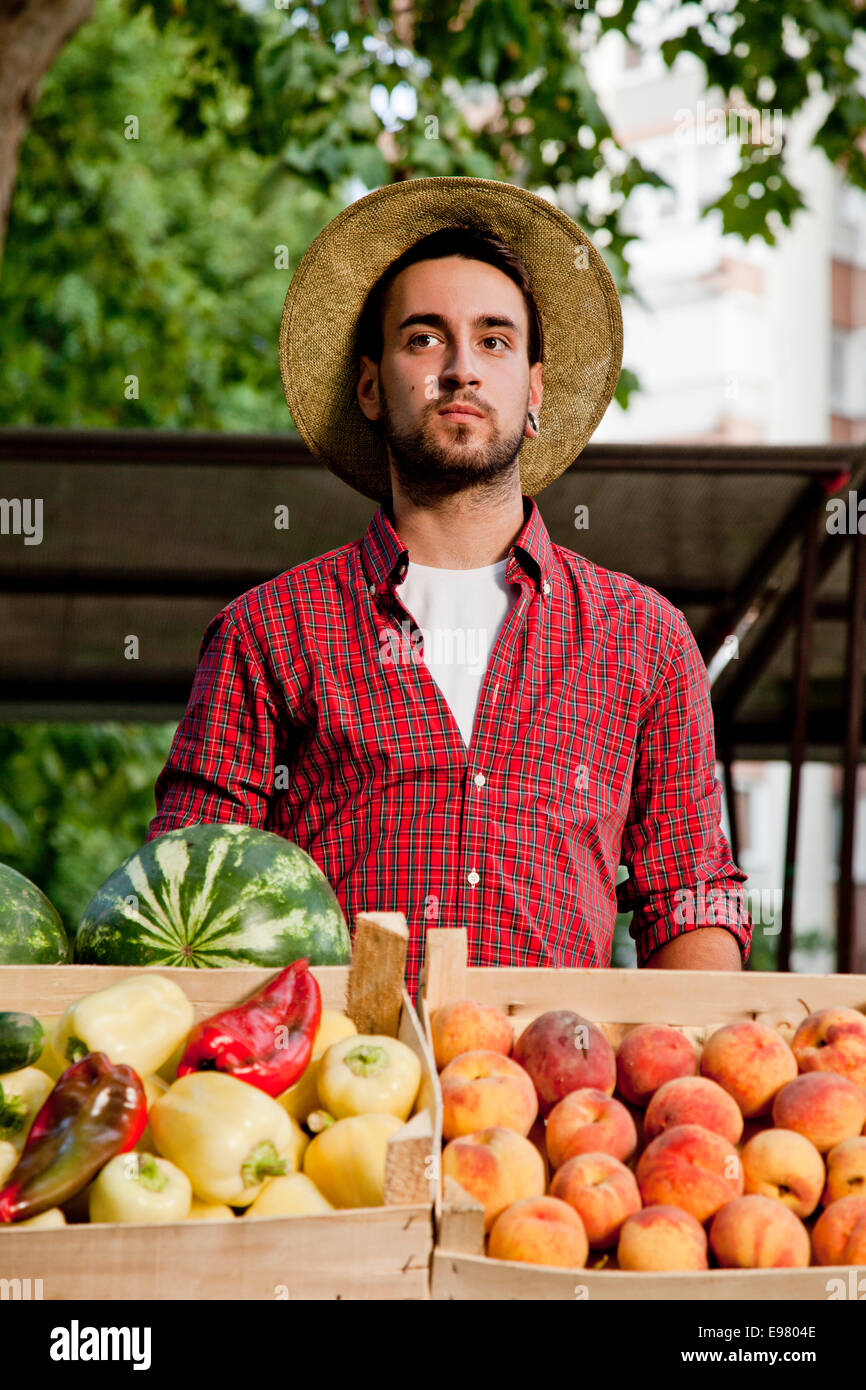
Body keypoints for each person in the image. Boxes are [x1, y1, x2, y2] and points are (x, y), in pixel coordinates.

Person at [146, 176, 752, 998]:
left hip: (553, 1110)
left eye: (495, 341)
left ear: (534, 389)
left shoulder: (644, 638)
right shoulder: (267, 632)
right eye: (424, 339)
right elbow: (184, 899)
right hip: (336, 1098)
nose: (461, 369)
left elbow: (690, 897)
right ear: (370, 385)